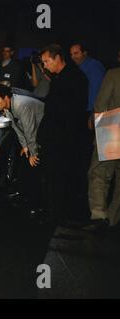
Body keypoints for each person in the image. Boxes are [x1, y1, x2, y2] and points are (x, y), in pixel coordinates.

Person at [38, 43, 89, 223]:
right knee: (56, 178)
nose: (45, 65)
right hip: (59, 138)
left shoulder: (73, 78)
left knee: (60, 178)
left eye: (46, 61)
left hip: (64, 140)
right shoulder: (65, 77)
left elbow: (67, 113)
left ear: (58, 58)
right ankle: (56, 213)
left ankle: (58, 215)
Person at [0, 84, 45, 214]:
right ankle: (27, 196)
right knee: (24, 161)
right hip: (35, 133)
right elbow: (17, 129)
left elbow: (30, 129)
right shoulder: (8, 109)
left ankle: (38, 205)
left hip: (46, 130)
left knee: (36, 166)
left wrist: (33, 153)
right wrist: (25, 147)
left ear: (6, 98)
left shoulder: (21, 105)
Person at [83, 67, 120, 235]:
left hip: (112, 127)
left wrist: (98, 133)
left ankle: (99, 216)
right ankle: (113, 219)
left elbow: (101, 103)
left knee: (99, 174)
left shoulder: (114, 74)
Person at [70, 43, 106, 121]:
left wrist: (92, 113)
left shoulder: (93, 66)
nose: (73, 57)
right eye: (71, 54)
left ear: (84, 53)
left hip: (94, 111)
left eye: (76, 53)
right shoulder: (80, 67)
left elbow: (96, 90)